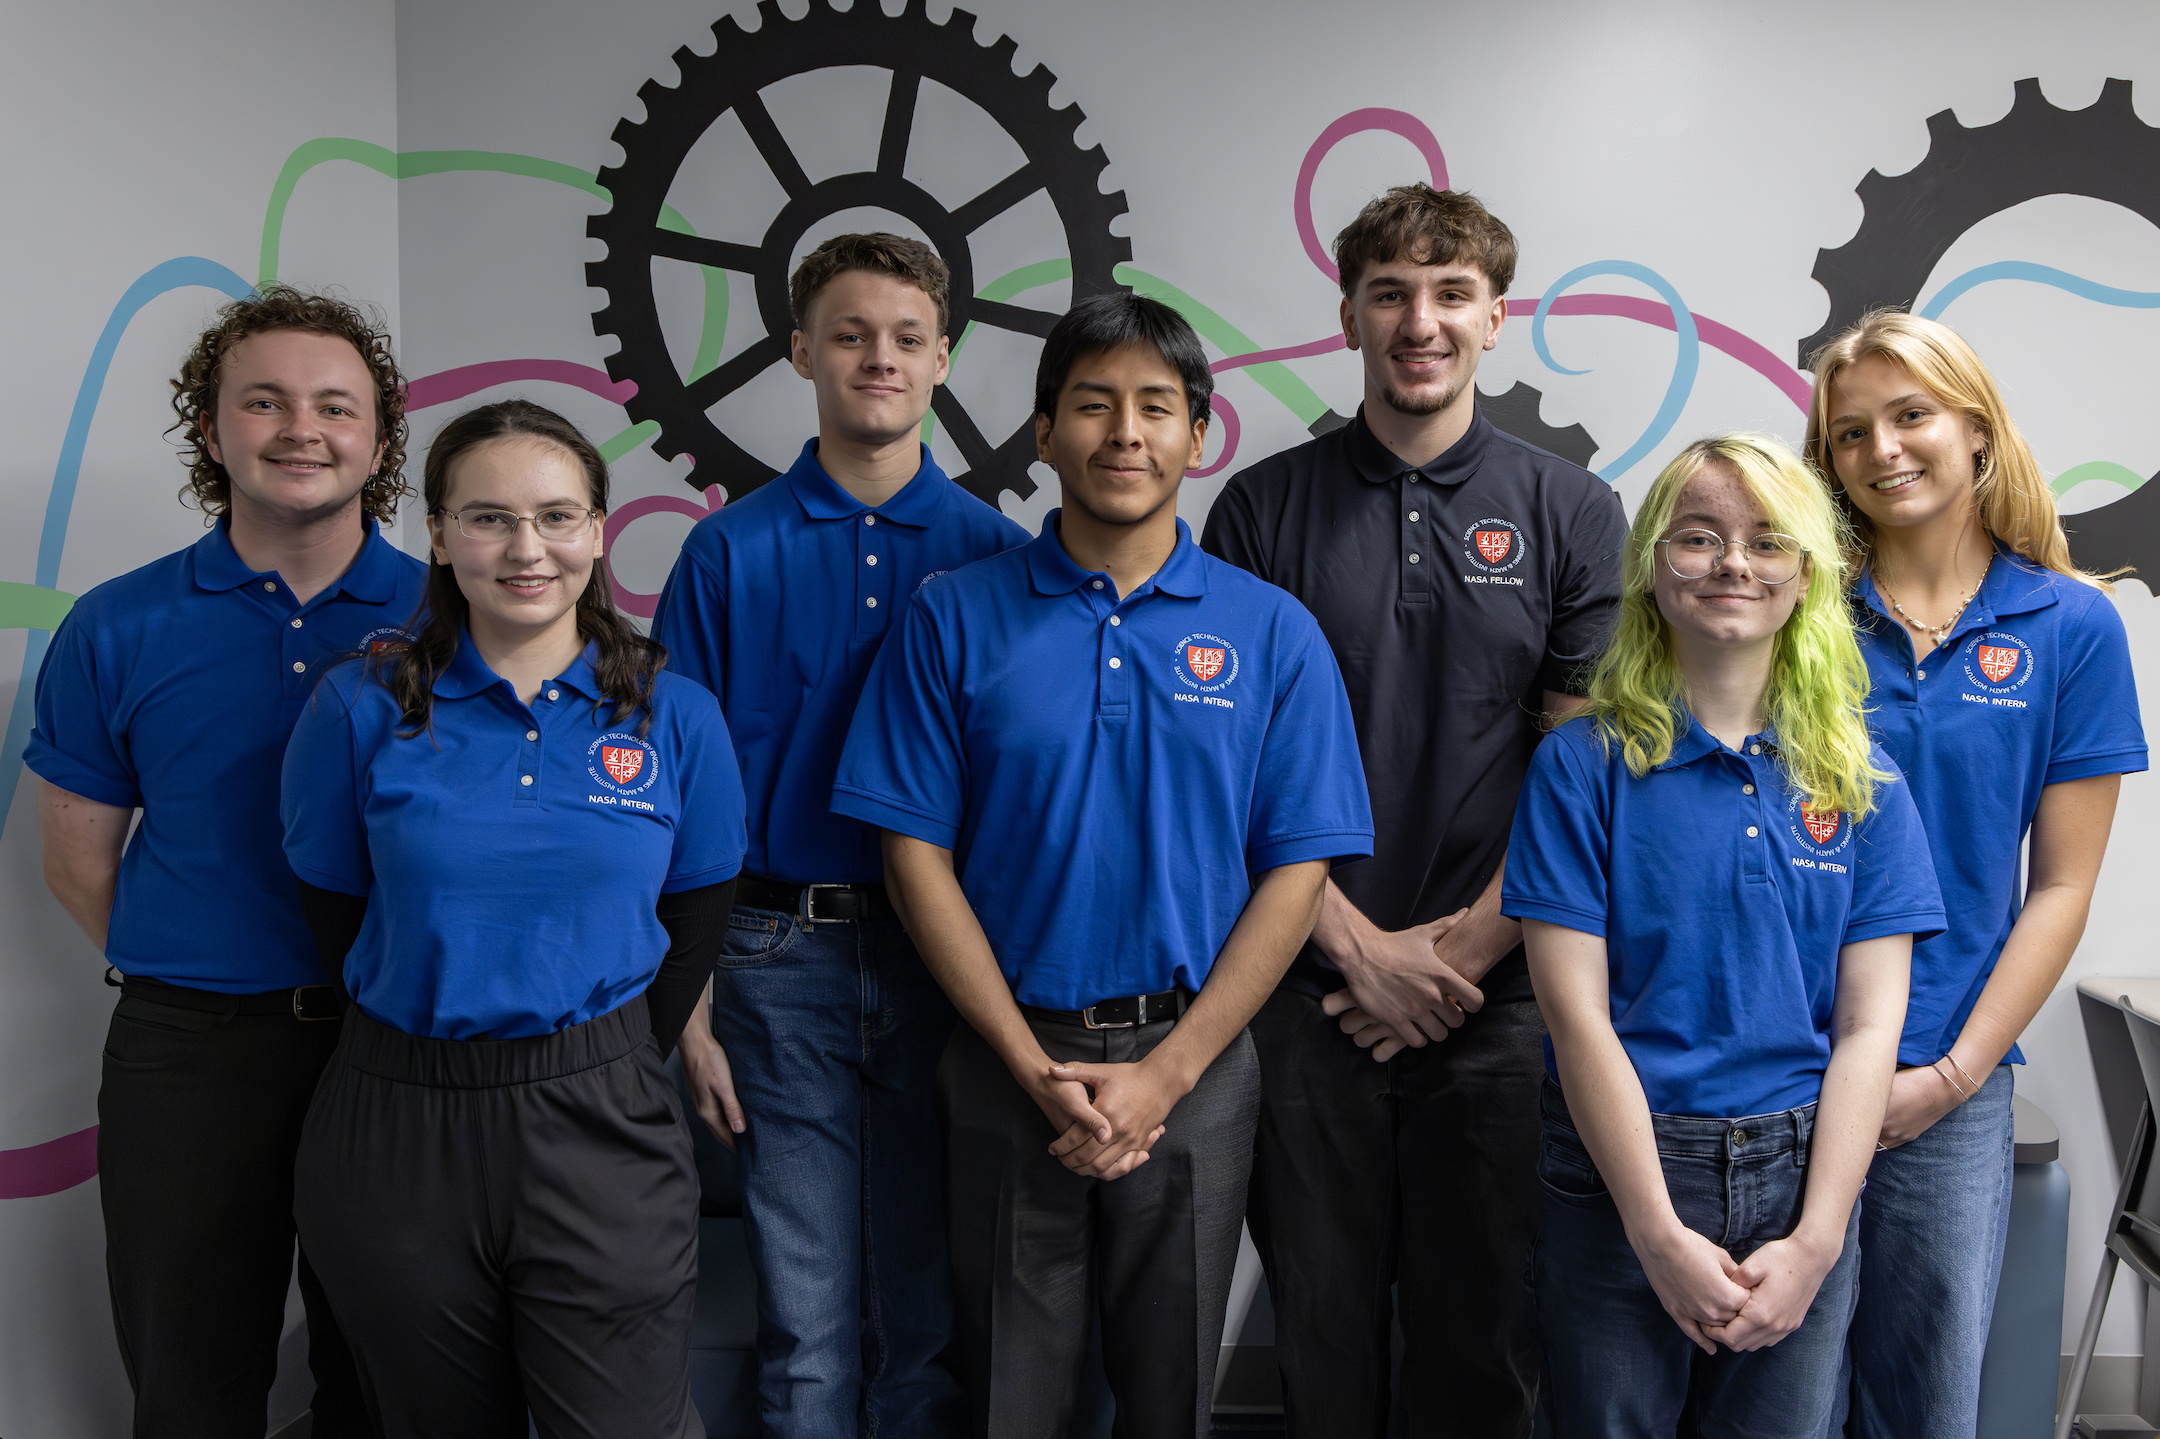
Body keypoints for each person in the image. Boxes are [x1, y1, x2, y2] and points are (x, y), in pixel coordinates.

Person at [831, 291, 1373, 1437]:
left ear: (1197, 434)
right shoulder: (951, 618)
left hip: (1198, 1063)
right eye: (1092, 404)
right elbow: (912, 853)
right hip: (1003, 1060)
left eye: (1154, 407)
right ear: (1043, 432)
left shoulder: (1273, 631)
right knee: (1008, 1399)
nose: (1124, 432)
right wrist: (1030, 1064)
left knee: (1171, 1393)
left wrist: (1169, 1074)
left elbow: (1298, 872)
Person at [1199, 182, 1627, 1434]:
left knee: (1485, 1341)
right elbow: (1232, 769)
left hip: (1498, 1001)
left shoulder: (1573, 512)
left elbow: (1582, 766)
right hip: (1300, 989)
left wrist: (1459, 953)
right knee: (1321, 1341)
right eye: (1391, 293)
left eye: (1450, 296)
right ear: (1350, 314)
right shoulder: (1261, 511)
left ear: (1499, 318)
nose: (1420, 321)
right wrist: (1355, 948)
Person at [278, 400, 746, 1438]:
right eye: (488, 518)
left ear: (597, 529)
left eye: (557, 515)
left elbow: (698, 908)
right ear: (439, 535)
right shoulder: (359, 708)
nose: (526, 547)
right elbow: (335, 909)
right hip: (395, 1120)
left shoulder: (678, 714)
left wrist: (612, 1055)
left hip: (603, 1120)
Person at [28, 286, 424, 1438]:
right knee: (192, 1380)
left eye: (334, 405)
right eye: (264, 400)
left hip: (395, 1048)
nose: (301, 427)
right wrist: (207, 968)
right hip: (190, 1051)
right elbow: (78, 864)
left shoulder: (452, 613)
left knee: (390, 1374)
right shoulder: (116, 625)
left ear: (381, 438)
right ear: (212, 430)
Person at [651, 231, 1026, 1434]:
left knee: (923, 1303)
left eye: (907, 337)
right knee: (805, 1310)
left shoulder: (998, 556)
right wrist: (693, 1002)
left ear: (945, 359)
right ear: (799, 349)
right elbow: (679, 794)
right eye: (851, 334)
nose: (880, 358)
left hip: (947, 960)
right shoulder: (727, 549)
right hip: (774, 955)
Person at [1501, 434, 1943, 1437]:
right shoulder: (1581, 768)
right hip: (1621, 1168)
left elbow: (1872, 1026)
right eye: (1697, 537)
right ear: (1652, 570)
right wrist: (1654, 1229)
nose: (1733, 562)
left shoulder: (1862, 778)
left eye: (1765, 541)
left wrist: (1820, 1237)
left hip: (1803, 1173)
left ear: (1805, 577)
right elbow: (1577, 1018)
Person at [1803, 311, 2147, 1437]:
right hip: (1783, 1065)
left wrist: (1953, 1074)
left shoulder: (2072, 625)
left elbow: (2061, 886)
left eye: (1912, 416)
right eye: (1852, 432)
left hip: (1945, 1073)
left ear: (1977, 430)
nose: (1885, 449)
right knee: (1775, 1396)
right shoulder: (1794, 607)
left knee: (1922, 1398)